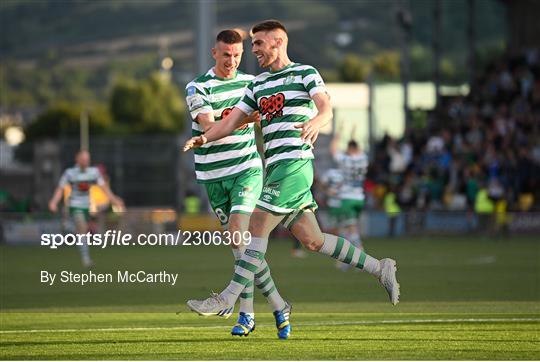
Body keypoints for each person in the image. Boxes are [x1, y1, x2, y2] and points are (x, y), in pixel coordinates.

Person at [183, 20, 400, 332]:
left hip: (294, 164)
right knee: (313, 240)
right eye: (253, 44)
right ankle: (380, 268)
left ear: (278, 42)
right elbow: (230, 123)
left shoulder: (304, 72)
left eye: (258, 43)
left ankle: (227, 300)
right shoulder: (257, 85)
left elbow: (326, 107)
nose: (253, 50)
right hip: (276, 168)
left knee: (256, 222)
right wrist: (203, 139)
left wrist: (318, 121)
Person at [184, 29, 290, 338]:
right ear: (214, 54)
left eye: (237, 55)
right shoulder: (198, 87)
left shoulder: (251, 84)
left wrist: (247, 117)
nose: (232, 61)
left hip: (246, 169)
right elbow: (209, 125)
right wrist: (245, 117)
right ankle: (278, 305)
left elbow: (261, 116)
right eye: (226, 55)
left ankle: (244, 313)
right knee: (241, 248)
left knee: (237, 233)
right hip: (214, 177)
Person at [48, 150, 124, 268]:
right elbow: (60, 188)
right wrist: (53, 202)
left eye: (87, 159)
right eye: (83, 159)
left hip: (86, 206)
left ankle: (69, 228)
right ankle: (86, 260)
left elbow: (104, 188)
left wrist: (115, 200)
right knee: (82, 227)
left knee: (82, 232)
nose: (85, 161)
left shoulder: (94, 172)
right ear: (77, 159)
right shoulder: (70, 173)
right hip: (74, 204)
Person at [330, 131, 369, 270]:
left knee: (350, 229)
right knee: (349, 228)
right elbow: (358, 148)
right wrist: (353, 134)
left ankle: (361, 259)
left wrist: (338, 134)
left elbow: (333, 149)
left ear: (349, 148)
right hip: (359, 198)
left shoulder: (345, 160)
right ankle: (346, 261)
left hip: (347, 198)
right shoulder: (363, 159)